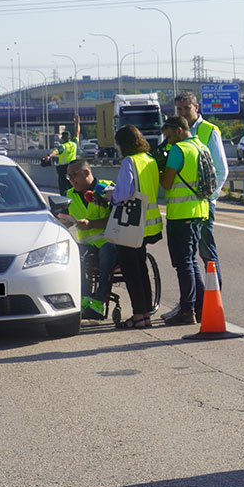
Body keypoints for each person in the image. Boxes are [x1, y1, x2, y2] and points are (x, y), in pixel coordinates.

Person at [173, 90, 228, 295]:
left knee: (207, 253)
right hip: (184, 206)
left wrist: (210, 199)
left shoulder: (208, 130)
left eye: (187, 108)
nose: (183, 112)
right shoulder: (175, 131)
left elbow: (221, 170)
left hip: (204, 205)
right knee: (187, 256)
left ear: (196, 108)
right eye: (179, 109)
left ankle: (214, 301)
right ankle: (196, 303)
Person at [158, 115, 210, 326]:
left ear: (179, 130)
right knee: (191, 260)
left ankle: (187, 310)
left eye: (169, 134)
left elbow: (167, 183)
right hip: (199, 211)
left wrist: (159, 169)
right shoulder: (201, 147)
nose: (167, 139)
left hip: (181, 214)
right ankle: (201, 305)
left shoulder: (179, 151)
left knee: (183, 263)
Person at [110, 124, 164, 328]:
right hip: (149, 225)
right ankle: (146, 314)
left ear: (123, 144)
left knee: (131, 273)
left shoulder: (129, 162)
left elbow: (124, 192)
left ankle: (139, 316)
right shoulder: (149, 160)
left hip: (131, 225)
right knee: (141, 271)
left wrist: (111, 197)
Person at [56, 158, 117, 320]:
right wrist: (64, 224)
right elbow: (59, 222)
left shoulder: (106, 188)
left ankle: (98, 302)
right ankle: (83, 299)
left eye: (74, 175)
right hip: (86, 245)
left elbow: (118, 217)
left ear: (87, 173)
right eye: (68, 176)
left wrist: (91, 224)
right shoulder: (67, 196)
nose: (71, 180)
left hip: (109, 242)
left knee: (106, 256)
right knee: (72, 255)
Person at [47, 116, 81, 193]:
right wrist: (77, 123)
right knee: (73, 187)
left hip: (63, 169)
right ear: (69, 137)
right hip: (73, 168)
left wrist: (49, 156)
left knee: (63, 188)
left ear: (62, 138)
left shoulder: (62, 146)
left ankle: (64, 201)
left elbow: (56, 152)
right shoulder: (74, 144)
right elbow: (77, 132)